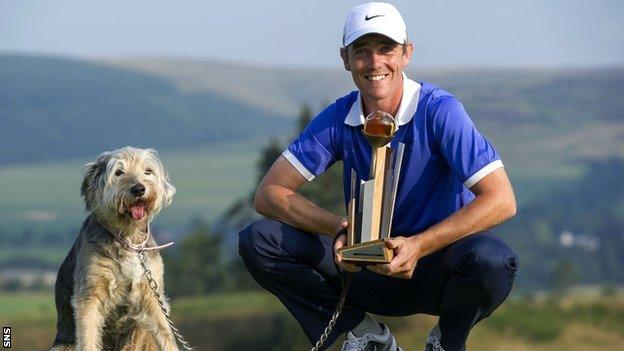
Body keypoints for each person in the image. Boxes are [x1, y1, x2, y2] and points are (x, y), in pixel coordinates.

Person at [239, 2, 519, 351]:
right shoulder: (338, 116)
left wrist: (418, 245)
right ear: (345, 58)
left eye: (386, 49)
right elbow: (269, 194)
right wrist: (338, 228)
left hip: (436, 271)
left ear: (406, 54)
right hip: (361, 272)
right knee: (259, 240)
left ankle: (448, 340)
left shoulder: (440, 111)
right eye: (362, 51)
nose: (374, 63)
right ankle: (362, 333)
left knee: (493, 260)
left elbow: (502, 200)